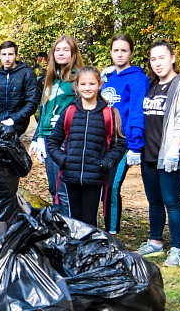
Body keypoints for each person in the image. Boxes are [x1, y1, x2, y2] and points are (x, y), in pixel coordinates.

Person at [45, 67, 126, 227]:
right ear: (77, 86)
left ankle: (89, 244)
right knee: (74, 219)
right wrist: (64, 160)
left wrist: (104, 164)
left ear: (100, 85)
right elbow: (53, 142)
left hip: (94, 177)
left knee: (89, 221)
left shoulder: (109, 114)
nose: (87, 88)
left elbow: (119, 145)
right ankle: (75, 244)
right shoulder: (70, 111)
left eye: (92, 84)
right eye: (83, 84)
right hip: (71, 175)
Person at [134, 41, 180, 267]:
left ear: (172, 58)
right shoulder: (151, 86)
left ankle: (176, 249)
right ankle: (155, 241)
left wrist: (175, 148)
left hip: (170, 154)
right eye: (153, 59)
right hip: (149, 154)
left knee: (172, 201)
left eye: (162, 58)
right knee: (154, 201)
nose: (157, 63)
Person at [101, 34, 150, 235]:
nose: (119, 54)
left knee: (112, 188)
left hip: (123, 142)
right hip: (103, 141)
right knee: (102, 188)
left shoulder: (137, 78)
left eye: (124, 50)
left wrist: (135, 145)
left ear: (131, 53)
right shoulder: (108, 79)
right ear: (111, 52)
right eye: (116, 50)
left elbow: (138, 111)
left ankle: (112, 233)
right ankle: (101, 230)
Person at [29, 36, 80, 212]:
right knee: (54, 189)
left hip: (66, 140)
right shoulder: (49, 79)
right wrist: (38, 137)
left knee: (65, 189)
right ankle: (59, 223)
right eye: (57, 50)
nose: (61, 53)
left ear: (73, 53)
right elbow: (44, 110)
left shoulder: (77, 79)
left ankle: (71, 225)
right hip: (48, 140)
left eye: (66, 50)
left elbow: (84, 111)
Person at [0, 40, 40, 135]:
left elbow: (32, 103)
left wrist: (13, 120)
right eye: (4, 54)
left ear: (16, 56)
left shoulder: (27, 74)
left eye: (10, 54)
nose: (7, 58)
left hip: (17, 122)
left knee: (6, 138)